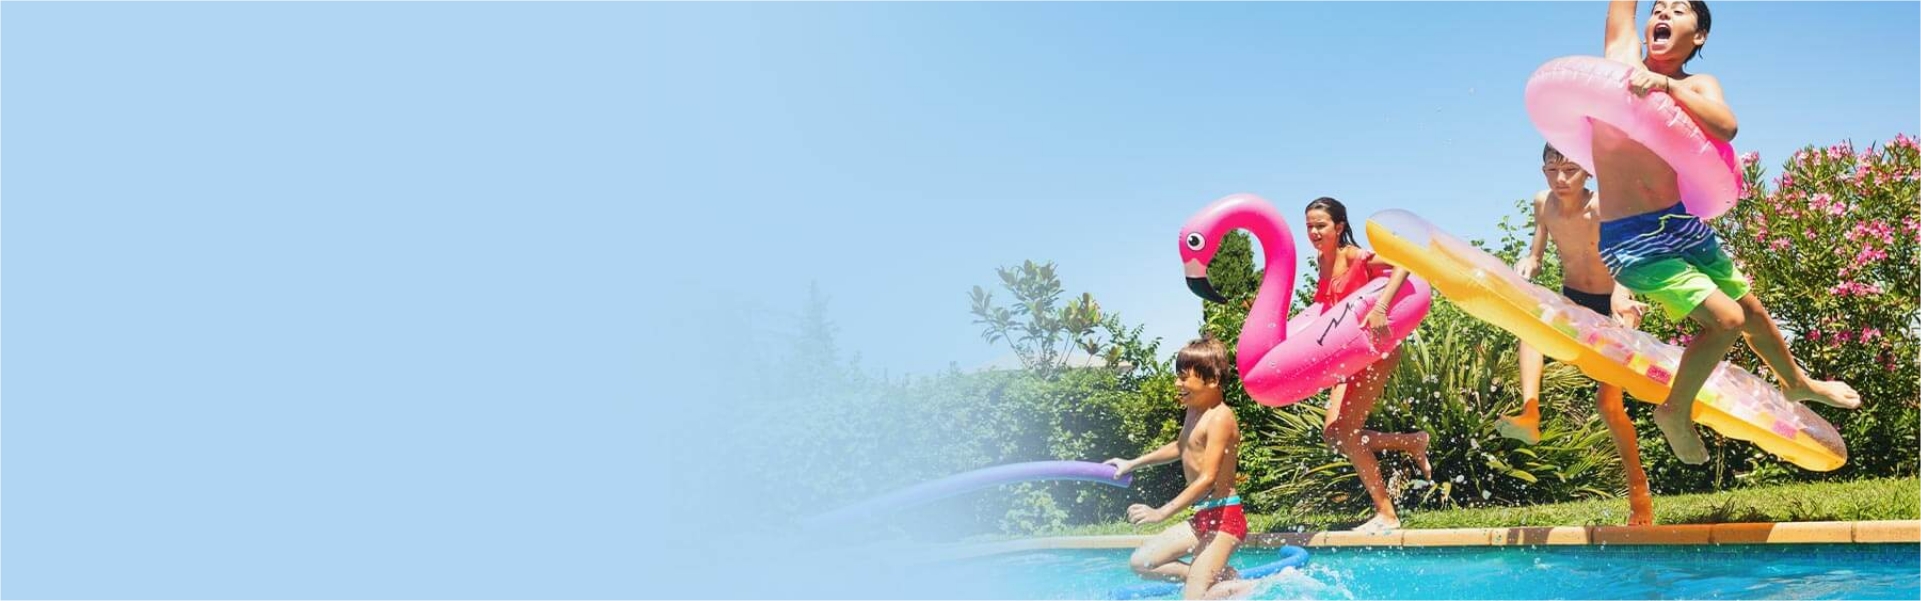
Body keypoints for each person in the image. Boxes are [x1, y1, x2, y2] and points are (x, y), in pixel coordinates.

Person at [1591, 0, 1858, 464]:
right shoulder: (1621, 59)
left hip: (1682, 225)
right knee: (1727, 321)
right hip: (1632, 238)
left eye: (1678, 10)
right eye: (1659, 8)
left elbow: (1727, 127)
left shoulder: (1696, 84)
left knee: (1749, 309)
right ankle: (1674, 410)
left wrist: (1668, 87)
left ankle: (1796, 383)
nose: (1664, 14)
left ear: (1699, 37)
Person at [1496, 144, 1658, 525]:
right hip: (1575, 301)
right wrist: (1528, 263)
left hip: (1615, 302)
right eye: (1552, 170)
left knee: (1608, 407)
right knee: (1531, 327)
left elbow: (1625, 257)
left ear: (1588, 172)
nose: (1561, 179)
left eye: (1570, 170)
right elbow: (1537, 255)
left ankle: (1640, 497)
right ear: (1543, 172)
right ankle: (1530, 413)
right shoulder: (1544, 204)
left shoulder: (1602, 206)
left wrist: (1622, 295)